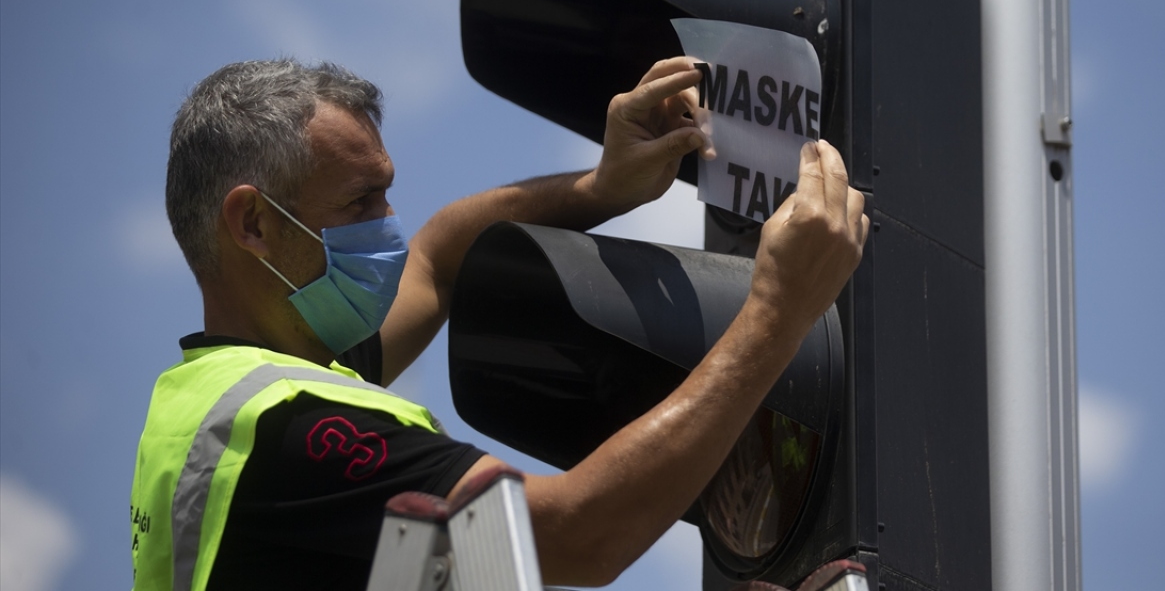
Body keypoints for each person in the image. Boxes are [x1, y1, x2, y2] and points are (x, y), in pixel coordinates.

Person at [131, 57, 869, 591]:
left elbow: (443, 258)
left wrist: (602, 187)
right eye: (360, 202)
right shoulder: (289, 426)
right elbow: (581, 533)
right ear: (253, 223)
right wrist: (778, 311)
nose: (387, 225)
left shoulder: (240, 387)